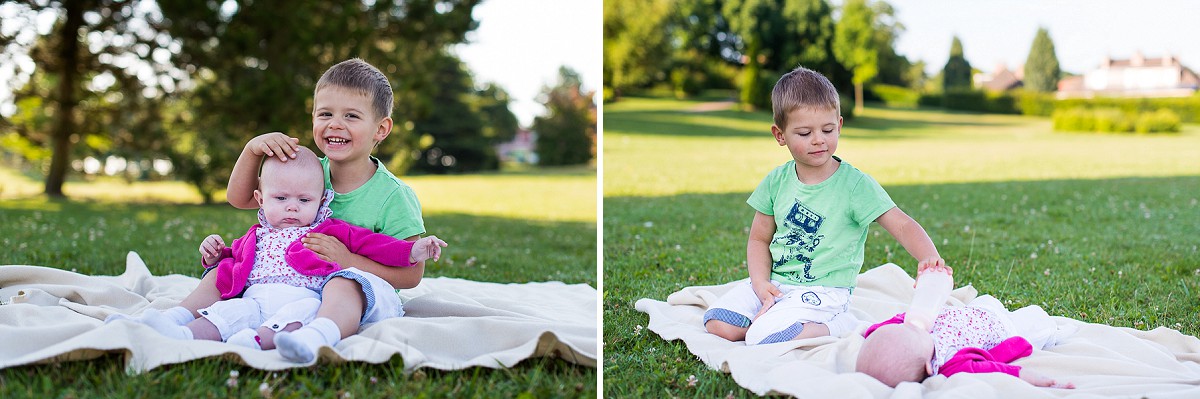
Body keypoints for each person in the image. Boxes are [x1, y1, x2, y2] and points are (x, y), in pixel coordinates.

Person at [107, 58, 428, 362]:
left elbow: (412, 275)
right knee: (228, 266)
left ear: (381, 129)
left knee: (345, 280)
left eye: (351, 116)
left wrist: (349, 261)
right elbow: (241, 197)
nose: (335, 125)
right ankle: (173, 320)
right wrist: (252, 150)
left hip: (358, 297)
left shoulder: (393, 196)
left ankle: (319, 335)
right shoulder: (307, 170)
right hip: (290, 281)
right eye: (325, 114)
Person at [702, 65, 946, 345]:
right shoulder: (776, 181)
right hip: (777, 283)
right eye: (804, 133)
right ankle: (774, 321)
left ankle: (839, 323)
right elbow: (759, 239)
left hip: (823, 291)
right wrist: (760, 284)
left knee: (761, 338)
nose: (818, 139)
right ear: (780, 135)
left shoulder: (855, 185)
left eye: (827, 129)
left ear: (839, 126)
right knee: (718, 323)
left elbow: (901, 224)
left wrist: (928, 258)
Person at [134, 147, 446, 352]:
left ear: (322, 200)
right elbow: (234, 261)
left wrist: (413, 251)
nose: (292, 208)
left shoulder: (326, 229)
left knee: (297, 316)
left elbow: (373, 244)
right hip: (255, 301)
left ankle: (307, 338)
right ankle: (178, 329)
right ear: (261, 199)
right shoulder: (256, 235)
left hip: (306, 299)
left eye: (304, 201)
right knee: (226, 313)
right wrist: (216, 254)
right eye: (281, 199)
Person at [856, 266, 1075, 389]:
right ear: (928, 367)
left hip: (976, 311)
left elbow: (884, 331)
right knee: (1037, 320)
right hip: (1004, 329)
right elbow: (997, 370)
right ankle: (1055, 331)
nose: (910, 326)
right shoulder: (950, 362)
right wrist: (1039, 379)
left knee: (987, 300)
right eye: (912, 331)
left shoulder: (905, 331)